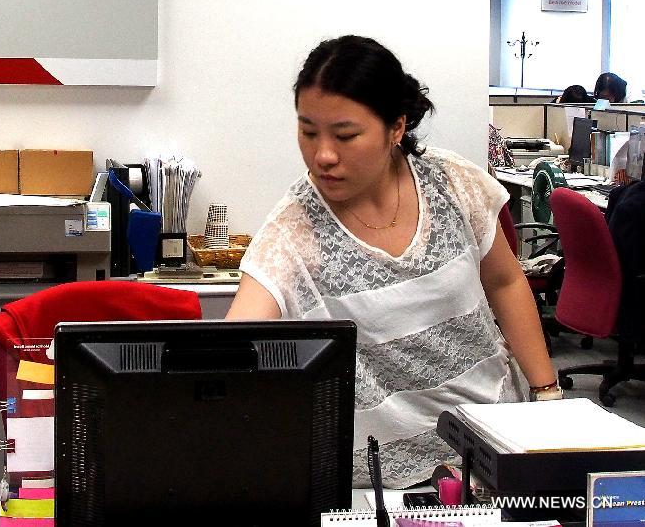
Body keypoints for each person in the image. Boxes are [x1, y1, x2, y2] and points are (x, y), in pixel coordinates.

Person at [226, 35, 559, 488]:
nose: (323, 154)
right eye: (308, 132)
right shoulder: (295, 232)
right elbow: (234, 344)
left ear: (396, 127)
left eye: (346, 135)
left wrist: (547, 394)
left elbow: (504, 282)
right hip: (382, 476)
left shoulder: (452, 183)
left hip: (492, 438)